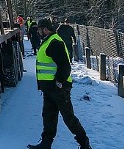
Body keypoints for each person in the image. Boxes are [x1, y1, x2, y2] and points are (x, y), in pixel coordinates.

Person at [28, 18, 91, 149]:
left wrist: (59, 82)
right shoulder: (48, 41)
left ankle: (84, 144)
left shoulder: (54, 42)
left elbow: (65, 66)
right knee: (48, 117)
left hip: (58, 88)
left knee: (68, 118)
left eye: (39, 30)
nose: (38, 32)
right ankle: (45, 144)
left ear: (45, 29)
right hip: (50, 89)